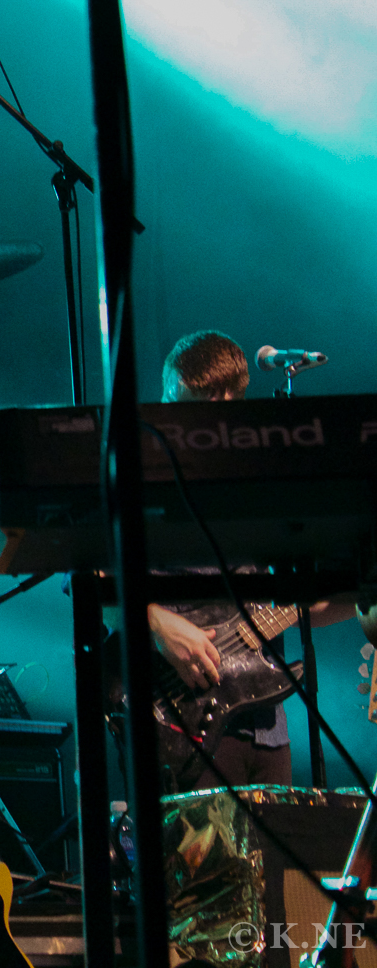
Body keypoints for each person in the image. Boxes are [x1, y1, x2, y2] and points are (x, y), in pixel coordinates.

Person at [147, 330, 351, 789]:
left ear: (230, 402)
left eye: (193, 408)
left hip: (267, 727)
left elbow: (299, 607)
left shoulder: (259, 485)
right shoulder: (144, 470)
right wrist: (156, 624)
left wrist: (363, 597)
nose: (177, 418)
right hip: (180, 723)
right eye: (175, 403)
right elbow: (86, 575)